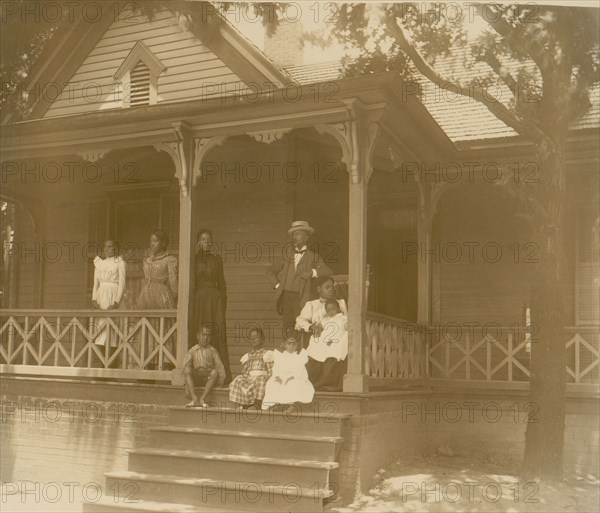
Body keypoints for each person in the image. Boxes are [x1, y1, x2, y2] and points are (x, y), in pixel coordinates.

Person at [266, 221, 332, 339]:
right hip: (286, 297)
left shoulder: (313, 257)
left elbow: (328, 271)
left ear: (306, 237)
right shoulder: (287, 255)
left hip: (302, 298)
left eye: (298, 234)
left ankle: (303, 356)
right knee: (288, 327)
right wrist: (278, 286)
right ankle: (290, 355)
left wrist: (312, 272)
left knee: (303, 327)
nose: (294, 237)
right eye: (293, 235)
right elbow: (270, 271)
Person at [134, 230, 178, 370]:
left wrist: (175, 296)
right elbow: (146, 279)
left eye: (155, 241)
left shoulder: (169, 259)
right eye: (151, 241)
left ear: (163, 243)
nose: (152, 243)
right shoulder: (147, 259)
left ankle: (165, 361)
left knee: (163, 326)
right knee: (148, 326)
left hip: (162, 295)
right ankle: (147, 361)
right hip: (147, 295)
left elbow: (173, 280)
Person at [296, 276, 348, 391]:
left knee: (338, 346)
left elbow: (345, 319)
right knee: (317, 349)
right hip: (320, 336)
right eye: (327, 287)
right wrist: (311, 326)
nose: (331, 290)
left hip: (338, 334)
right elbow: (300, 321)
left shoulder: (340, 303)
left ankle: (330, 383)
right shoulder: (311, 304)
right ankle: (316, 382)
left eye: (332, 287)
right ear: (319, 289)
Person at [193, 229, 231, 384]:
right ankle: (199, 376)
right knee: (200, 332)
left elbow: (221, 283)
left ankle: (221, 377)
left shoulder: (217, 259)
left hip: (215, 301)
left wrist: (223, 302)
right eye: (203, 239)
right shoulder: (193, 259)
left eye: (209, 239)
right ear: (198, 242)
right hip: (200, 300)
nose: (206, 242)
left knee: (216, 333)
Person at [262, 336, 315, 412]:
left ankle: (292, 405)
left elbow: (300, 371)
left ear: (297, 345)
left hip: (294, 377)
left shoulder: (298, 357)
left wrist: (291, 377)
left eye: (294, 344)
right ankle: (276, 404)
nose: (291, 346)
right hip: (281, 376)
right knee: (272, 384)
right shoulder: (280, 356)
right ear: (284, 345)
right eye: (289, 344)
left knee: (292, 384)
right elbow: (276, 368)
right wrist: (277, 377)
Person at [92, 238, 126, 352]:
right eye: (106, 246)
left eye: (111, 246)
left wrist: (116, 302)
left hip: (113, 295)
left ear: (115, 248)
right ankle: (102, 361)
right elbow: (95, 284)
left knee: (111, 330)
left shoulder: (119, 262)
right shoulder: (99, 263)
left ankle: (111, 360)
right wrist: (94, 299)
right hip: (101, 296)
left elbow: (122, 284)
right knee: (100, 330)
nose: (108, 249)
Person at [228, 327, 273, 409]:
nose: (253, 339)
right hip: (250, 378)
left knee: (261, 380)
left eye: (256, 337)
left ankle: (257, 403)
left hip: (262, 377)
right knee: (239, 379)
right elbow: (245, 371)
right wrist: (245, 377)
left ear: (262, 340)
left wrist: (269, 379)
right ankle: (245, 403)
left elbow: (270, 371)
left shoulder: (266, 354)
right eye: (251, 338)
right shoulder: (248, 356)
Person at [183, 325, 226, 408]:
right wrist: (186, 385)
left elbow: (220, 367)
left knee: (215, 372)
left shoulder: (213, 351)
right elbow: (185, 367)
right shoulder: (192, 350)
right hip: (197, 378)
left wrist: (220, 383)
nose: (205, 338)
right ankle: (194, 399)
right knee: (187, 369)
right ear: (198, 336)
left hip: (208, 379)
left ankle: (202, 399)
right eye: (203, 335)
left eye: (208, 335)